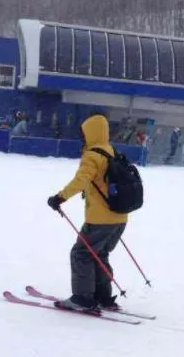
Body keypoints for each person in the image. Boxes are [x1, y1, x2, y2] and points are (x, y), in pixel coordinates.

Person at [47, 113, 128, 312]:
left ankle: (83, 298)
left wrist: (60, 197)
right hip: (120, 215)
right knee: (100, 254)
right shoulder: (112, 151)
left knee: (82, 253)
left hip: (100, 218)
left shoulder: (92, 155)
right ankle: (103, 296)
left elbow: (81, 181)